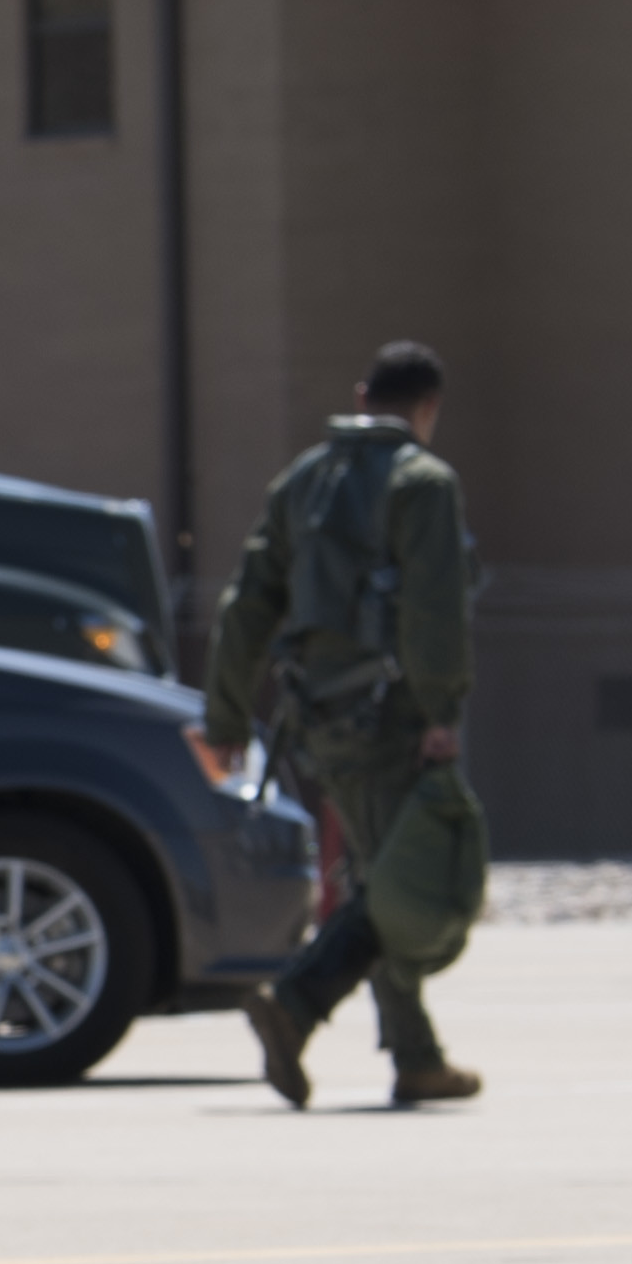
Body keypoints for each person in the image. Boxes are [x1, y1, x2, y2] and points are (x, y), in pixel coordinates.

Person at [198, 339, 484, 1111]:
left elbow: (247, 602)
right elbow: (433, 609)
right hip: (392, 713)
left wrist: (225, 714)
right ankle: (295, 1005)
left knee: (375, 876)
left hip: (319, 713)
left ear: (363, 395)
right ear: (428, 408)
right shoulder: (424, 483)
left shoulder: (304, 479)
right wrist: (441, 710)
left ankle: (417, 1056)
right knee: (398, 884)